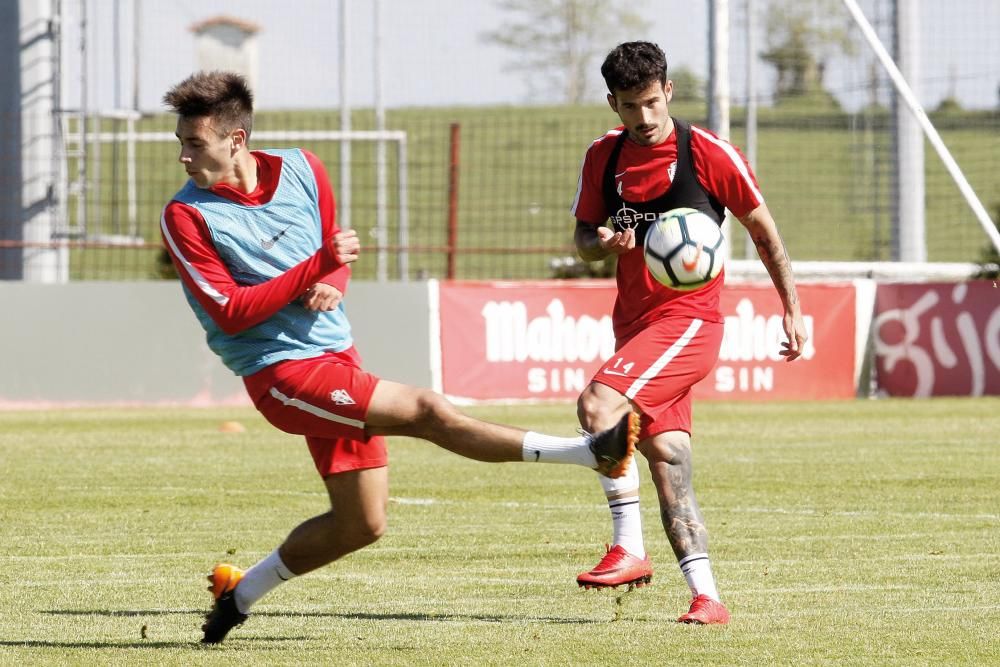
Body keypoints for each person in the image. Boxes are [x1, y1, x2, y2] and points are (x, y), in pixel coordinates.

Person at [159, 71, 639, 644]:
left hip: (338, 356)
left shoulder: (304, 169)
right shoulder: (186, 215)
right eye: (182, 143)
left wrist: (335, 274)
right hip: (282, 374)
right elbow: (233, 311)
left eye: (195, 143)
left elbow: (334, 245)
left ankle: (238, 597)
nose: (184, 157)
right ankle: (589, 453)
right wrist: (317, 269)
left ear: (235, 140)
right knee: (428, 409)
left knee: (361, 523)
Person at [569, 42, 808, 625]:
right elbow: (580, 241)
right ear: (613, 103)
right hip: (635, 328)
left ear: (668, 92)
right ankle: (708, 598)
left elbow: (763, 231)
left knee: (598, 405)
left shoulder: (706, 153)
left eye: (652, 102)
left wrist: (792, 309)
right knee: (667, 459)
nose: (644, 118)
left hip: (690, 323)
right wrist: (601, 245)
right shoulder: (603, 156)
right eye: (630, 106)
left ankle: (628, 547)